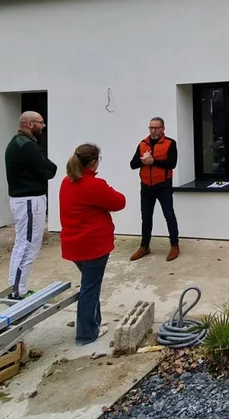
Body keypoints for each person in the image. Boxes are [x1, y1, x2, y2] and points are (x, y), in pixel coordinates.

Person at [59, 143, 126, 346]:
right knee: (90, 288)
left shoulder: (66, 181)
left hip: (74, 246)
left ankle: (94, 323)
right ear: (94, 162)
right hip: (92, 247)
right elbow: (119, 202)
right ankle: (86, 334)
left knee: (90, 284)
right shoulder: (93, 185)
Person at [4, 111, 57, 299]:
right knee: (26, 244)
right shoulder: (26, 146)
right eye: (40, 122)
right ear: (28, 124)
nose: (43, 126)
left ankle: (20, 287)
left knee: (27, 243)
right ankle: (17, 292)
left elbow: (46, 167)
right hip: (28, 200)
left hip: (28, 199)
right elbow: (49, 170)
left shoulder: (22, 143)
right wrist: (46, 166)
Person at [128, 117, 180, 261]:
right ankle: (144, 246)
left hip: (163, 185)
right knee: (146, 217)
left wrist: (154, 161)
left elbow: (172, 163)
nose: (153, 130)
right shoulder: (142, 144)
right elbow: (132, 164)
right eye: (151, 127)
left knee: (169, 215)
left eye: (156, 127)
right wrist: (142, 160)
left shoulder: (170, 143)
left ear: (163, 128)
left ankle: (174, 245)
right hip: (146, 186)